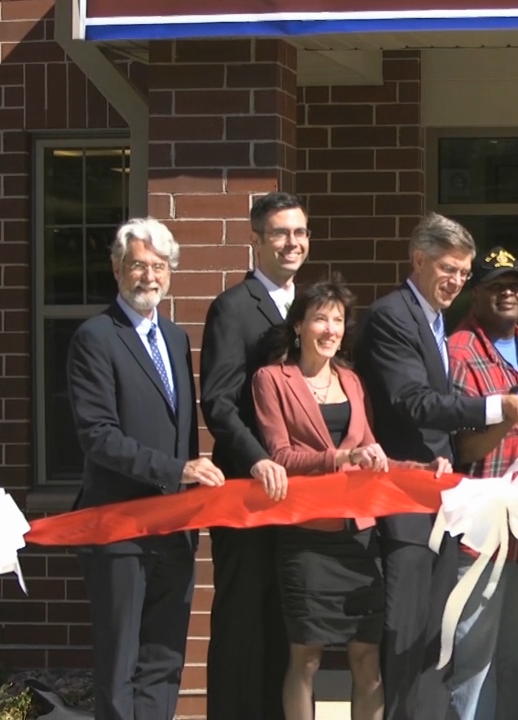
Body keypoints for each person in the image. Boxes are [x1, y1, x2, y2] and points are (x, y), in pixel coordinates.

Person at [353, 212, 518, 720]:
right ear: (418, 260)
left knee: (432, 642)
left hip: (441, 504)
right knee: (407, 638)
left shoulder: (433, 321)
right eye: (448, 269)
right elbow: (412, 401)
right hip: (403, 505)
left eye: (463, 271)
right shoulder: (393, 316)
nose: (457, 280)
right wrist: (495, 406)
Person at [253, 279, 444, 720]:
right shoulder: (271, 380)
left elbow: (373, 454)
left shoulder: (352, 381)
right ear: (298, 325)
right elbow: (280, 454)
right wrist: (342, 457)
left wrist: (419, 472)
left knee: (367, 660)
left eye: (338, 320)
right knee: (307, 660)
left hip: (359, 539)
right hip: (305, 537)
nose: (330, 328)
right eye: (320, 317)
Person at [67, 218, 225, 719]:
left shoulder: (176, 339)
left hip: (175, 529)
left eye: (159, 266)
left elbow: (182, 428)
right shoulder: (95, 338)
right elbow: (98, 436)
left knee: (164, 661)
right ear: (117, 268)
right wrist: (178, 471)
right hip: (121, 530)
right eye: (138, 265)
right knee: (120, 665)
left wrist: (188, 487)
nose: (149, 276)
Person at [200, 191, 309, 720]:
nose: (293, 243)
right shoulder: (234, 306)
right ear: (257, 239)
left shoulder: (306, 307)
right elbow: (218, 402)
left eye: (301, 233)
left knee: (284, 625)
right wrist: (259, 458)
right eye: (281, 233)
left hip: (298, 496)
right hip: (247, 491)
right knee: (243, 624)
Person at [444, 246, 518, 719]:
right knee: (473, 660)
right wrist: (506, 416)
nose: (507, 292)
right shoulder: (460, 350)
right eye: (495, 285)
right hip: (476, 534)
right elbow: (462, 449)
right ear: (477, 293)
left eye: (514, 284)